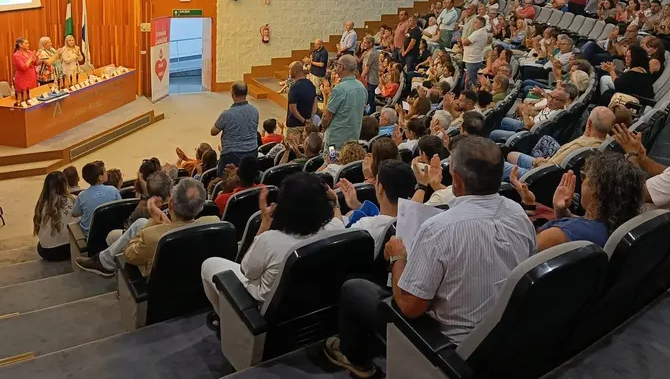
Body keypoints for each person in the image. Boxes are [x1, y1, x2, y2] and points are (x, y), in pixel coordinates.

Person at [323, 136, 537, 377]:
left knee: (354, 288)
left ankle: (359, 362)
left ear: (457, 179)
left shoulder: (439, 229)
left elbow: (409, 307)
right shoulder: (518, 214)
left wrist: (397, 258)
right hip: (503, 339)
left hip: (449, 349)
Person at [201, 173, 346, 321]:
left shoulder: (269, 240)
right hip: (312, 304)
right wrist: (335, 202)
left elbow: (246, 271)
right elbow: (338, 220)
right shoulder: (335, 230)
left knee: (209, 264)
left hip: (265, 311)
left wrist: (265, 223)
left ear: (284, 207)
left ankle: (227, 320)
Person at [511, 153, 645, 249]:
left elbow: (521, 252)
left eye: (584, 177)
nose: (582, 182)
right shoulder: (623, 225)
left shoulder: (557, 235)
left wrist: (528, 205)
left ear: (595, 190)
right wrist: (561, 211)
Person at [75, 171, 174, 276]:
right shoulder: (179, 209)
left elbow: (130, 254)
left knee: (116, 235)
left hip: (158, 264)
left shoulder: (145, 209)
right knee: (137, 225)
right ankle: (105, 260)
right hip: (169, 252)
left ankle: (106, 263)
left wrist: (153, 212)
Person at [123, 178, 217, 276]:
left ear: (171, 203)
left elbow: (128, 254)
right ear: (201, 207)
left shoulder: (151, 237)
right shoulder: (213, 223)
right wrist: (162, 217)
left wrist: (154, 218)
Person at [332, 160, 415, 258]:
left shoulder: (365, 227)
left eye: (376, 180)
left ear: (380, 188)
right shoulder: (415, 221)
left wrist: (335, 204)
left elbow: (337, 239)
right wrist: (357, 204)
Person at [507, 106, 616, 176]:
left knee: (510, 155)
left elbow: (550, 168)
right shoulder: (606, 140)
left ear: (589, 123)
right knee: (546, 139)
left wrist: (538, 161)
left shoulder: (579, 147)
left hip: (542, 174)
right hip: (555, 162)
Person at [211, 82, 260, 175]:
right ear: (246, 93)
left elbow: (213, 131)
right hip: (252, 152)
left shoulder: (227, 114)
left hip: (231, 154)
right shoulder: (255, 111)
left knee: (223, 178)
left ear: (232, 94)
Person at [489, 87, 571, 142]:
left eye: (556, 99)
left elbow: (529, 126)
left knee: (494, 133)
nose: (550, 100)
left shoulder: (554, 115)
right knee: (504, 120)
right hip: (529, 124)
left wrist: (525, 113)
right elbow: (539, 116)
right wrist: (529, 110)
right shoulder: (553, 106)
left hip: (529, 134)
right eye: (550, 96)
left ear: (563, 102)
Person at [321, 55, 368, 150]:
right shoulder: (362, 87)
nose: (336, 67)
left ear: (341, 67)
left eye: (337, 65)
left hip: (334, 142)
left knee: (330, 159)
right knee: (348, 159)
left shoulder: (339, 89)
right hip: (353, 139)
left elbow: (326, 117)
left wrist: (323, 127)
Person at [71, 162, 122, 238]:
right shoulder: (113, 190)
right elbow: (120, 208)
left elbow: (75, 213)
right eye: (105, 171)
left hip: (90, 236)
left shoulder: (82, 195)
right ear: (100, 177)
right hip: (111, 232)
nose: (107, 173)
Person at [33, 172, 75, 261]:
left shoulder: (41, 204)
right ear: (65, 184)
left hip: (45, 251)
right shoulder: (73, 199)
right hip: (67, 249)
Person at [284, 61, 317, 139]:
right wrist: (311, 118)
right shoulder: (311, 84)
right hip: (307, 125)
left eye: (290, 69)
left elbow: (293, 109)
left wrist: (303, 120)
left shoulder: (294, 87)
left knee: (293, 145)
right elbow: (315, 102)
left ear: (295, 71)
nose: (289, 72)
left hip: (294, 126)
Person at [462, 16, 489, 89]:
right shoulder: (480, 32)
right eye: (474, 22)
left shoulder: (478, 33)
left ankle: (473, 94)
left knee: (472, 82)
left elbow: (465, 42)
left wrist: (464, 38)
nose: (474, 24)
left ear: (481, 24)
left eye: (476, 23)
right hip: (473, 59)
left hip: (472, 60)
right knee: (470, 80)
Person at [360, 36, 379, 113]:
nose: (363, 44)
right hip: (369, 79)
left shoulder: (371, 53)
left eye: (365, 42)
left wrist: (360, 80)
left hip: (371, 80)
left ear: (370, 43)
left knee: (369, 101)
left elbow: (366, 69)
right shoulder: (368, 52)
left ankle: (369, 115)